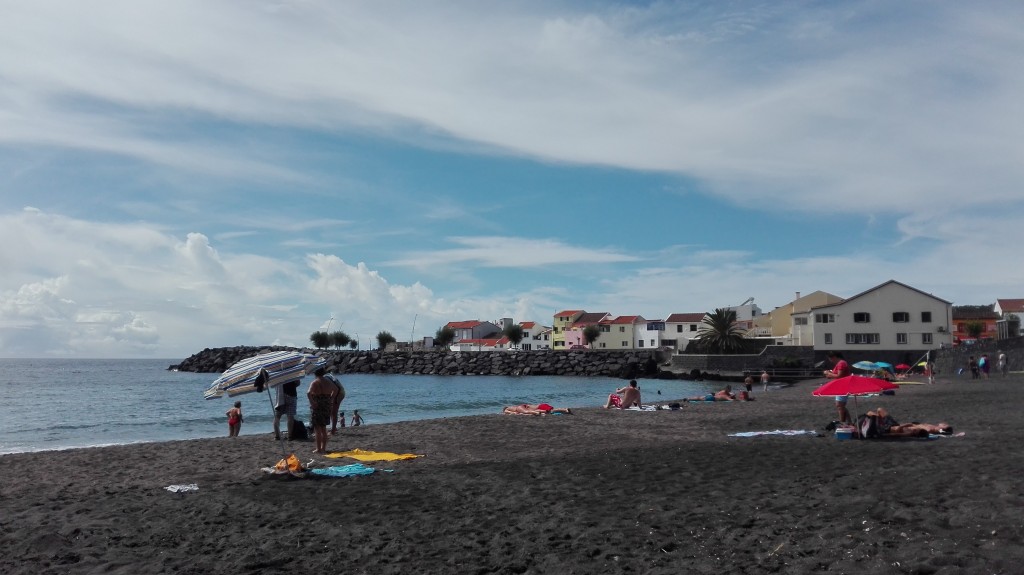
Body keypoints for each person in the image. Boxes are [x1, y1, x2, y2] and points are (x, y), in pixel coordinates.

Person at [307, 367, 336, 454]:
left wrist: (312, 402)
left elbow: (308, 393)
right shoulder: (329, 381)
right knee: (323, 428)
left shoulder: (315, 382)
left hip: (317, 404)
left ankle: (318, 449)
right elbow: (336, 389)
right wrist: (331, 399)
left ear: (315, 373)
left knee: (317, 429)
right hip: (326, 405)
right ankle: (323, 448)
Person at [824, 352, 852, 424]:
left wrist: (829, 374)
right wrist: (829, 374)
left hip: (843, 386)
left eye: (830, 358)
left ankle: (843, 422)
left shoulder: (841, 363)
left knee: (840, 405)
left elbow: (839, 375)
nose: (830, 360)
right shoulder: (841, 363)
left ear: (834, 357)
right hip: (841, 386)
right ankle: (849, 422)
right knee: (841, 405)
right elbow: (836, 375)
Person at [502, 404, 572, 415]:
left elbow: (506, 411)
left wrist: (509, 413)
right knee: (552, 410)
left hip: (519, 408)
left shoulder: (507, 408)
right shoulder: (512, 407)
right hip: (539, 405)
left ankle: (537, 413)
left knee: (527, 412)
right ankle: (565, 409)